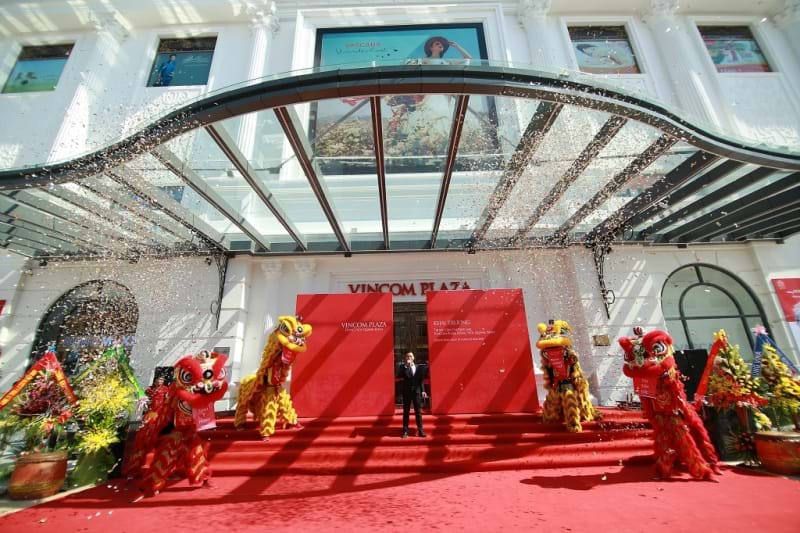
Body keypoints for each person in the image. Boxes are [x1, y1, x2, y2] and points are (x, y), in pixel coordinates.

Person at [396, 351, 428, 438]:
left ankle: (420, 430)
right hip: (406, 393)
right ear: (405, 358)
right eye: (407, 356)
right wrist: (406, 366)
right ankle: (405, 431)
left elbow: (421, 380)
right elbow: (399, 376)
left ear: (413, 358)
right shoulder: (402, 367)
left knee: (418, 412)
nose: (409, 357)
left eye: (410, 356)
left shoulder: (418, 367)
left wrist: (423, 391)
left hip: (416, 392)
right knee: (406, 412)